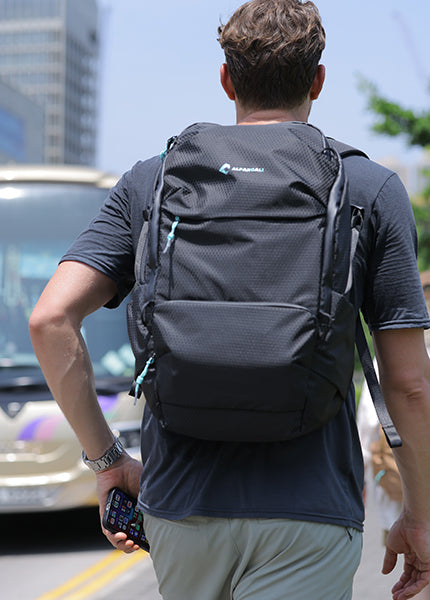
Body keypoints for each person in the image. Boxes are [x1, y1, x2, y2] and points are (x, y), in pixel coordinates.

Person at [29, 1, 430, 599]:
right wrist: (420, 515)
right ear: (318, 81)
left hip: (180, 508)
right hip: (310, 512)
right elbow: (410, 384)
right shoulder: (368, 187)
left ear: (226, 80)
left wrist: (107, 460)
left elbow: (50, 319)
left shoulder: (153, 180)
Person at [357, 271, 430, 600]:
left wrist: (358, 479)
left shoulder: (389, 356)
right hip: (407, 493)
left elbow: (367, 423)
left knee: (411, 574)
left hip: (396, 494)